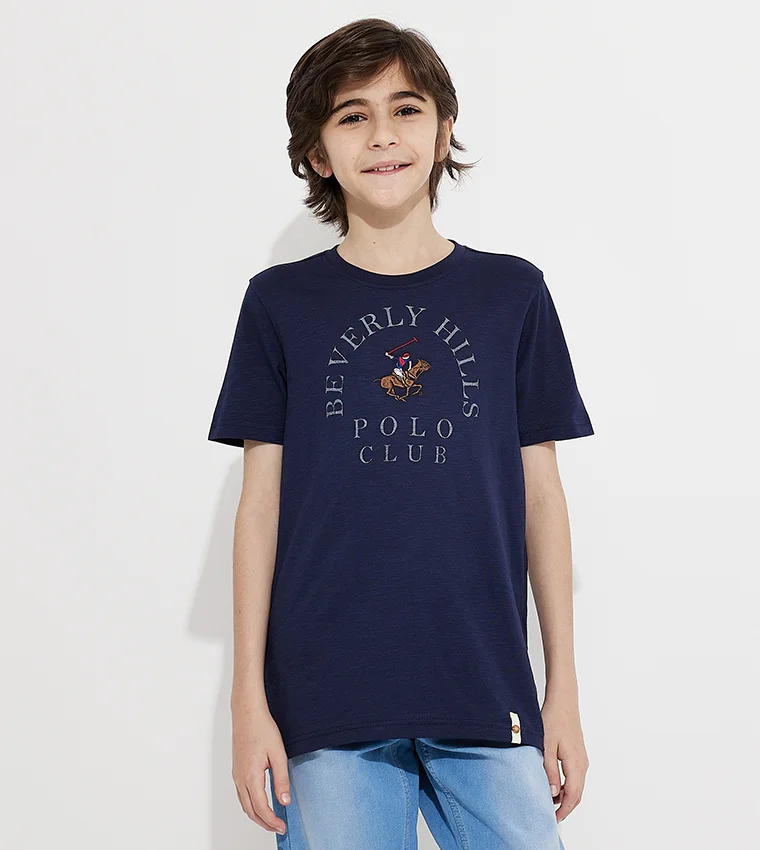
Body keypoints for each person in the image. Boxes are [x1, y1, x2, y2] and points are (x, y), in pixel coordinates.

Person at [208, 17, 594, 849]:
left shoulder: (512, 295)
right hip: (325, 698)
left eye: (406, 109)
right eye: (352, 116)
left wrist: (561, 690)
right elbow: (260, 508)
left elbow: (542, 498)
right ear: (317, 152)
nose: (383, 135)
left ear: (443, 130)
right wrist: (248, 702)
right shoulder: (279, 304)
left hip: (485, 687)